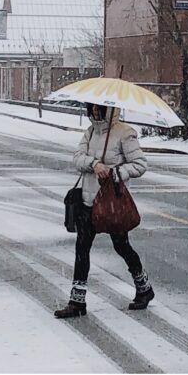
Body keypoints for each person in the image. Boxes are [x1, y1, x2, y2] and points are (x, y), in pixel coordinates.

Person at [54, 103, 153, 318]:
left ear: (109, 109)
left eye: (100, 108)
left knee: (122, 246)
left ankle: (144, 288)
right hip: (88, 202)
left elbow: (140, 164)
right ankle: (77, 302)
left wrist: (115, 173)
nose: (95, 111)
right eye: (92, 107)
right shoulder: (90, 132)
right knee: (82, 249)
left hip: (111, 203)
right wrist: (93, 163)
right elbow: (77, 158)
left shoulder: (125, 133)